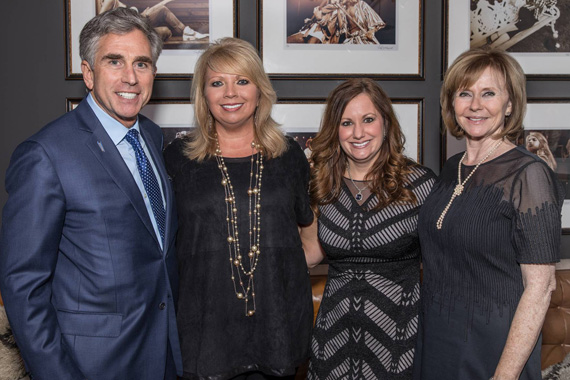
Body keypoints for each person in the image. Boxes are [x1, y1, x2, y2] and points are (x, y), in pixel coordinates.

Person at [0, 8, 182, 380]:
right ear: (88, 73)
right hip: (90, 365)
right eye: (114, 61)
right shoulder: (45, 155)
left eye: (142, 64)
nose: (130, 77)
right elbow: (23, 285)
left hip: (160, 354)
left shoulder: (149, 135)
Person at [163, 37, 314, 379]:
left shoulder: (289, 156)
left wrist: (272, 271)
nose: (230, 93)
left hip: (277, 334)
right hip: (205, 338)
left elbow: (310, 239)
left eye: (242, 81)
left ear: (260, 90)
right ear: (204, 95)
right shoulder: (176, 159)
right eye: (218, 83)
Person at [413, 48, 564, 380]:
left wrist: (504, 376)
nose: (475, 105)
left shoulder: (529, 175)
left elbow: (540, 289)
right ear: (452, 102)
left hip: (493, 351)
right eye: (465, 93)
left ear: (509, 104)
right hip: (438, 343)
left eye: (489, 93)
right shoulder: (454, 167)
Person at [301, 78, 436, 379]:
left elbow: (446, 264)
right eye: (347, 122)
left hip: (399, 342)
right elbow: (309, 251)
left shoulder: (421, 185)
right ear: (335, 130)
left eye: (368, 119)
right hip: (332, 340)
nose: (358, 132)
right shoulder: (320, 186)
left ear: (386, 123)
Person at [98, 0, 208, 42]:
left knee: (166, 31)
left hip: (137, 20)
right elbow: (98, 22)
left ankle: (188, 33)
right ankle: (189, 33)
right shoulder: (109, 0)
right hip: (135, 23)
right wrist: (136, 17)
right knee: (163, 7)